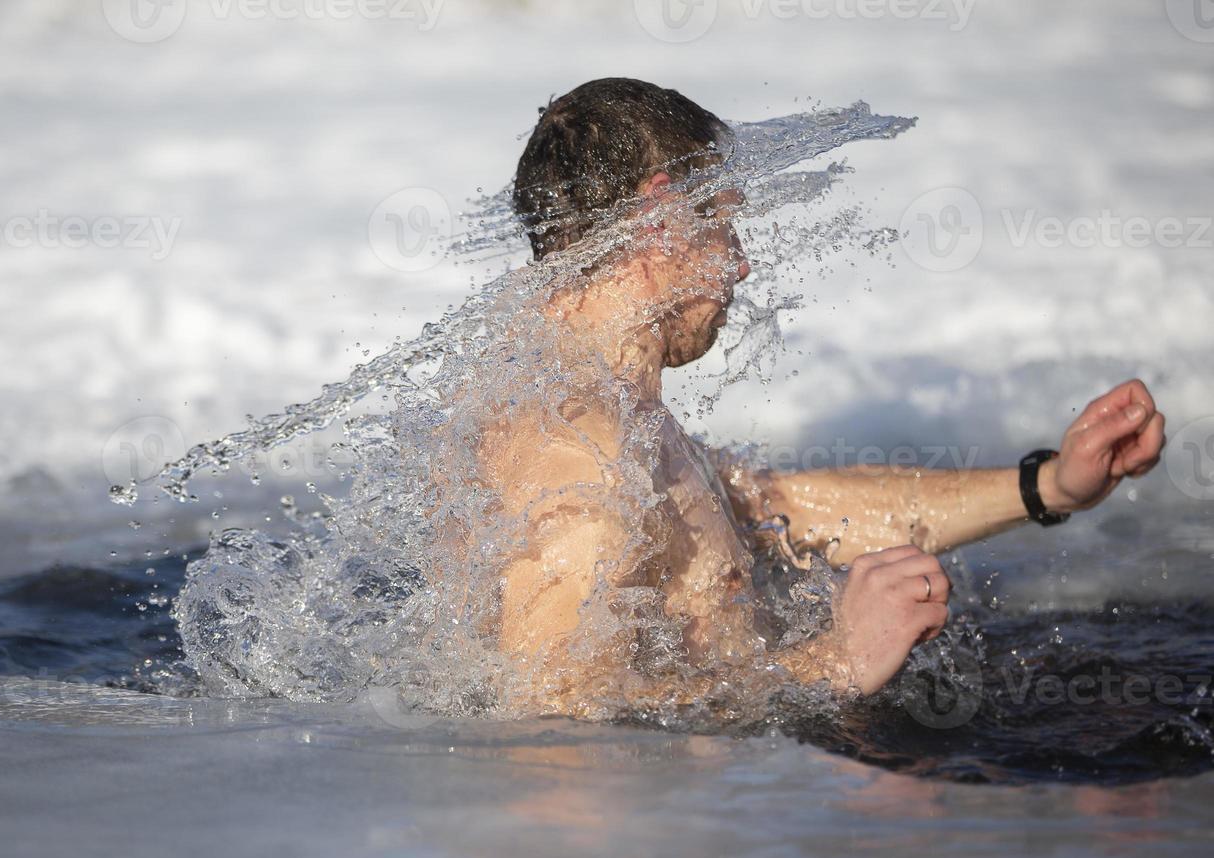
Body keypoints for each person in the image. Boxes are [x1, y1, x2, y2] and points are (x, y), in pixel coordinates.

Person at [481, 78, 1167, 716]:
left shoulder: (612, 415)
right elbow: (554, 718)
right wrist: (837, 660)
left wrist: (1047, 486)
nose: (741, 259)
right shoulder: (573, 447)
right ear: (663, 216)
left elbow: (782, 509)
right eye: (723, 220)